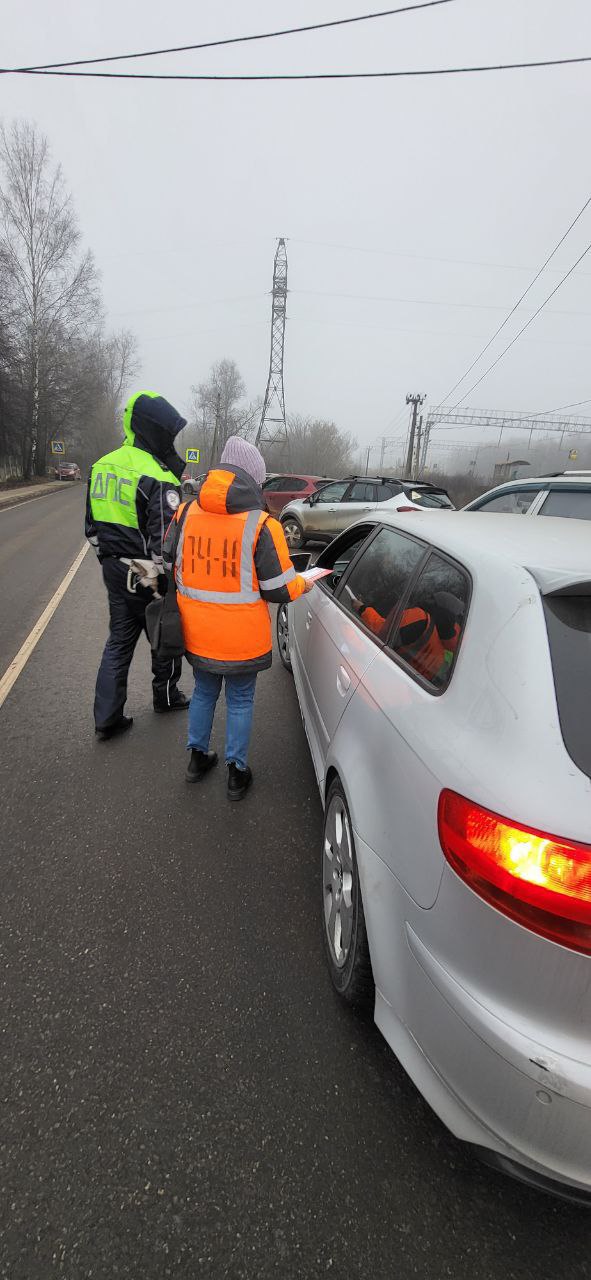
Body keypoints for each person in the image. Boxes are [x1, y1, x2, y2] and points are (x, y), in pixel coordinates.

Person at [164, 436, 312, 801]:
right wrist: (303, 584)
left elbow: (169, 564)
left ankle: (197, 759)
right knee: (241, 701)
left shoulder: (184, 513)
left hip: (196, 633)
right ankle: (236, 773)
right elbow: (278, 588)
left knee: (203, 692)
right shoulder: (263, 525)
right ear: (253, 480)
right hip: (242, 640)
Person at [86, 389, 190, 739]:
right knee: (164, 634)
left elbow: (91, 529)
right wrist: (168, 579)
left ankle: (107, 717)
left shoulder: (101, 465)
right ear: (153, 430)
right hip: (146, 569)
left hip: (113, 567)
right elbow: (166, 541)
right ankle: (165, 696)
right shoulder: (157, 474)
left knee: (119, 639)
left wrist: (109, 560)